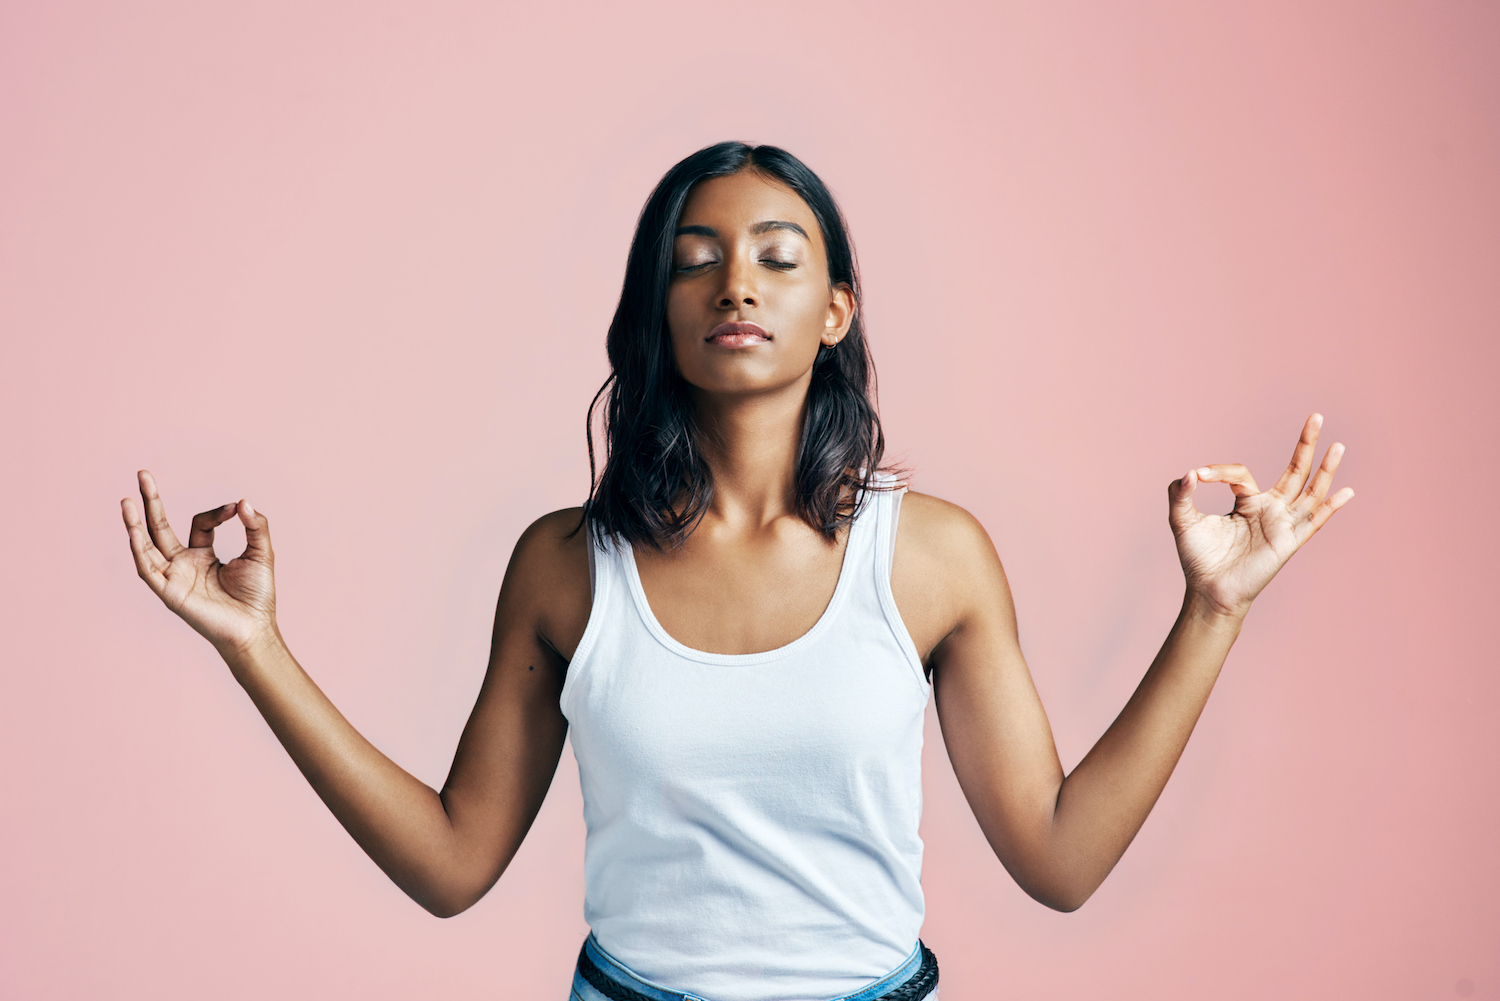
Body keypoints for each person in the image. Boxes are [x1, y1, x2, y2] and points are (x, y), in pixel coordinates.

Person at [121, 141, 1353, 1001]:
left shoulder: (931, 556)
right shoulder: (563, 564)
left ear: (835, 309)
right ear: (657, 307)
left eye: (777, 254)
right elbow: (453, 862)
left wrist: (1213, 610)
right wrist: (255, 647)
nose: (736, 282)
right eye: (694, 257)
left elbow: (1060, 857)